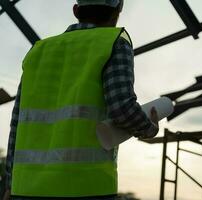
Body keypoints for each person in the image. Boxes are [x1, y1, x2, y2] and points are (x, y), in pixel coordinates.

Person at [4, 0, 159, 199]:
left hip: (26, 188)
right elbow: (122, 109)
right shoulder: (114, 42)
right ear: (118, 10)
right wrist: (149, 128)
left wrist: (10, 182)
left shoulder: (39, 51)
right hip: (85, 188)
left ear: (76, 10)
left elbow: (17, 123)